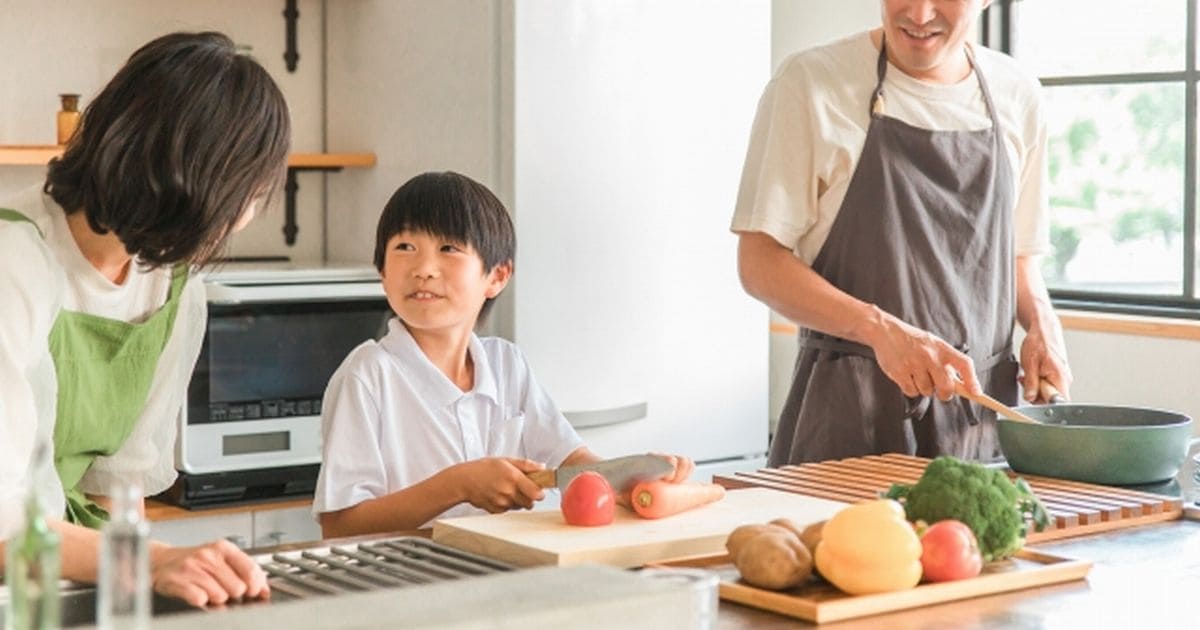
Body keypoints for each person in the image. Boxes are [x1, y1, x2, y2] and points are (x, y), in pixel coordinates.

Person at [0, 32, 291, 606]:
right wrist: (150, 562)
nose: (248, 214)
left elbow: (115, 490)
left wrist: (137, 581)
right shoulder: (15, 260)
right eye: (249, 190)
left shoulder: (173, 283)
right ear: (187, 174)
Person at [731, 0, 1072, 466]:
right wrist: (880, 330)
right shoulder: (810, 83)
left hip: (979, 433)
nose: (920, 12)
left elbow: (1017, 258)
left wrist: (1042, 324)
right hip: (849, 425)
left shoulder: (1017, 94)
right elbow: (759, 263)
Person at [314, 171, 694, 536]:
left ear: (496, 277)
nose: (424, 268)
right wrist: (459, 484)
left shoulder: (507, 364)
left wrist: (629, 478)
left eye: (448, 248)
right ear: (381, 271)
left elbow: (569, 460)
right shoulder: (367, 376)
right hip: (406, 586)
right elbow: (340, 525)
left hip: (500, 570)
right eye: (405, 247)